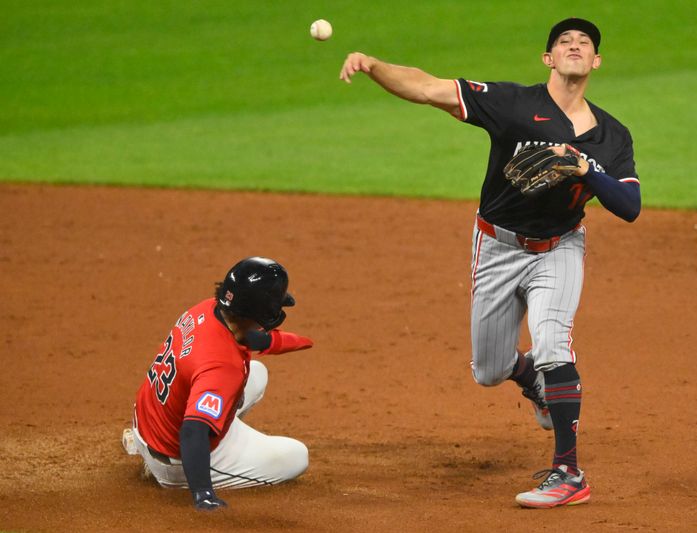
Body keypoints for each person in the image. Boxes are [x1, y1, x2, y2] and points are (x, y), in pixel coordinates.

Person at [339, 17, 640, 508]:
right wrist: (373, 65)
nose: (574, 46)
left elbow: (630, 207)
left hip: (560, 248)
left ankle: (569, 472)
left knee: (552, 342)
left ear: (596, 61)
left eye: (584, 43)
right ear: (548, 59)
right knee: (489, 369)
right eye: (563, 41)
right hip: (497, 247)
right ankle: (535, 386)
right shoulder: (513, 104)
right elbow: (430, 88)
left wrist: (587, 170)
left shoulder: (612, 136)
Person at [122, 257, 314, 510]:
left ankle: (146, 447)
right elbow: (193, 432)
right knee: (296, 456)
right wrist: (204, 494)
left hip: (150, 421)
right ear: (259, 312)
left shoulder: (206, 310)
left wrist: (293, 342)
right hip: (178, 455)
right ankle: (172, 475)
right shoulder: (222, 367)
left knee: (257, 373)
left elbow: (252, 339)